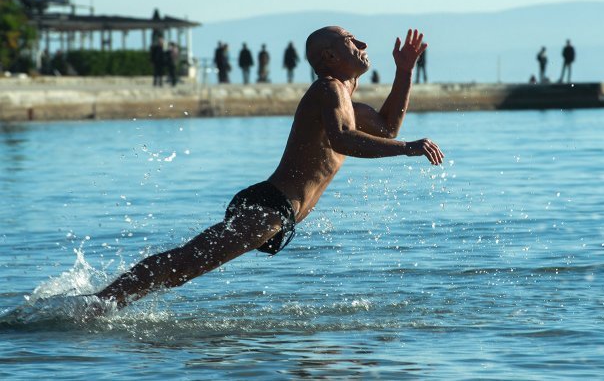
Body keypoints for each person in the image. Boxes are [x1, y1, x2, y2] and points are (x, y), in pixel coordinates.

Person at [90, 27, 443, 310]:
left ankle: (105, 301)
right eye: (351, 40)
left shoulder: (346, 101)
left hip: (278, 214)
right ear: (330, 56)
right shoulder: (328, 89)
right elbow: (343, 139)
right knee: (184, 265)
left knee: (185, 266)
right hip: (269, 207)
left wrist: (404, 71)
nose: (363, 43)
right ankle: (100, 303)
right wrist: (408, 149)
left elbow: (386, 128)